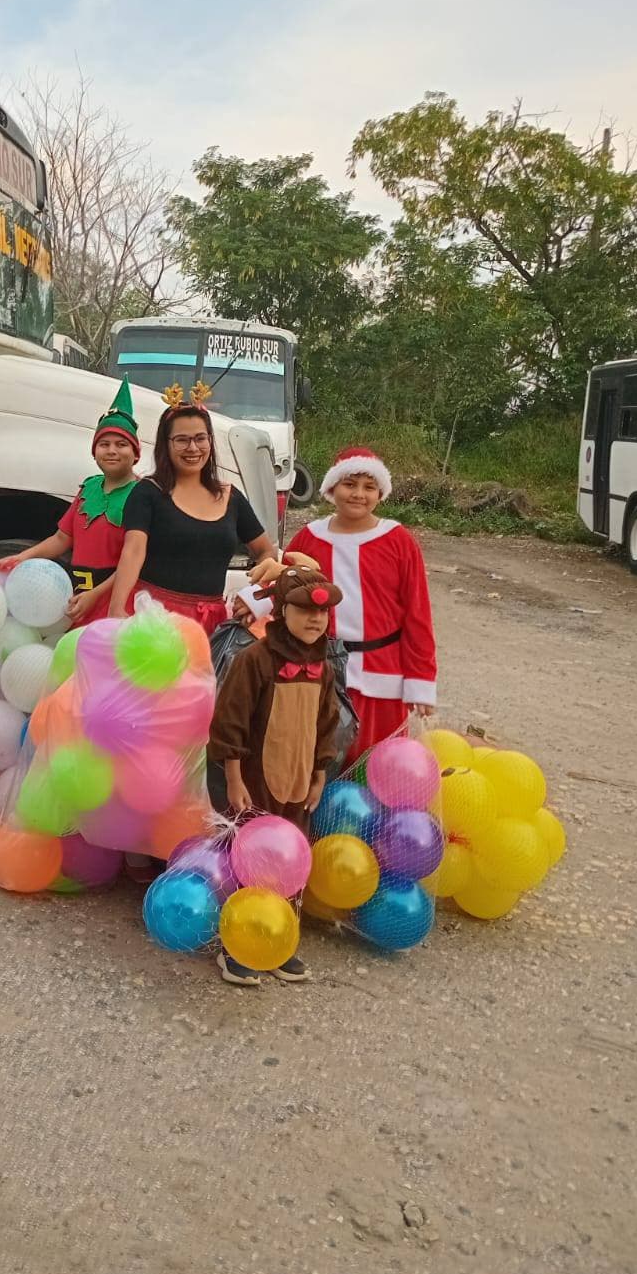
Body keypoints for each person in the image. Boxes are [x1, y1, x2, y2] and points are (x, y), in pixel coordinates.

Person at [207, 568, 343, 986]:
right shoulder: (256, 660)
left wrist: (319, 772)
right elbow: (229, 721)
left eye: (322, 612)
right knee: (252, 858)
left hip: (299, 779)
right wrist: (233, 777)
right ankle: (237, 946)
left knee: (290, 859)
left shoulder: (324, 667)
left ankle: (278, 937)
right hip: (255, 780)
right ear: (283, 611)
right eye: (304, 610)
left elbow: (326, 725)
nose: (314, 620)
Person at [285, 446, 436, 763]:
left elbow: (417, 614)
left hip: (382, 675)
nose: (358, 494)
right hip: (321, 670)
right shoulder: (310, 538)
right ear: (331, 488)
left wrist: (420, 681)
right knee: (318, 760)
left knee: (376, 764)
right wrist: (252, 603)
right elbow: (283, 587)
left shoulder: (398, 540)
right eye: (349, 484)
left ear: (380, 493)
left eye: (369, 487)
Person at [107, 404, 277, 635]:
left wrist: (255, 596)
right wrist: (116, 608)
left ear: (210, 441)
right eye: (181, 440)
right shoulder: (147, 492)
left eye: (200, 438)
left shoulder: (231, 496)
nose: (193, 448)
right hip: (153, 619)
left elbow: (267, 552)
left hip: (210, 625)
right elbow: (133, 552)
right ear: (165, 444)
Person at [0, 380, 141, 623]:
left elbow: (135, 560)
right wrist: (23, 557)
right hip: (80, 595)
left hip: (116, 599)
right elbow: (63, 538)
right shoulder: (88, 488)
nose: (112, 450)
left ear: (136, 454)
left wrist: (96, 595)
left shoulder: (141, 495)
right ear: (94, 452)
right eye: (104, 444)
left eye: (121, 444)